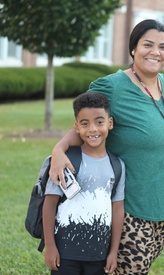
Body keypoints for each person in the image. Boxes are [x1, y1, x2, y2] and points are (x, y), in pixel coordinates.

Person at [48, 19, 164, 274]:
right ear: (133, 48)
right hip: (131, 207)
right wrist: (59, 149)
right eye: (148, 44)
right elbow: (86, 123)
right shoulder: (111, 85)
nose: (156, 52)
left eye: (163, 46)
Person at [42, 92, 125, 274]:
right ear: (76, 127)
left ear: (109, 123)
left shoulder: (117, 165)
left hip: (99, 255)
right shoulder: (66, 160)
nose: (93, 129)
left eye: (99, 122)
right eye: (85, 123)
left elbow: (117, 209)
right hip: (65, 254)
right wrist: (50, 246)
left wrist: (113, 252)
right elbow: (49, 204)